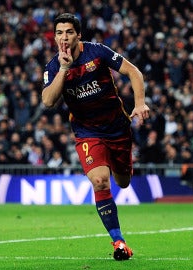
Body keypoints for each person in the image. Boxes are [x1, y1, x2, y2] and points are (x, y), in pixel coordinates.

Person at [42, 13, 150, 261]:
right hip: (87, 131)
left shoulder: (98, 52)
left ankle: (114, 163)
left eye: (69, 32)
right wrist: (64, 68)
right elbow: (47, 101)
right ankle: (119, 242)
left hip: (117, 128)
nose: (64, 37)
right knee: (100, 181)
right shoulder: (53, 66)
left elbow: (134, 72)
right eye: (59, 33)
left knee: (122, 182)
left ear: (78, 34)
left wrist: (140, 103)